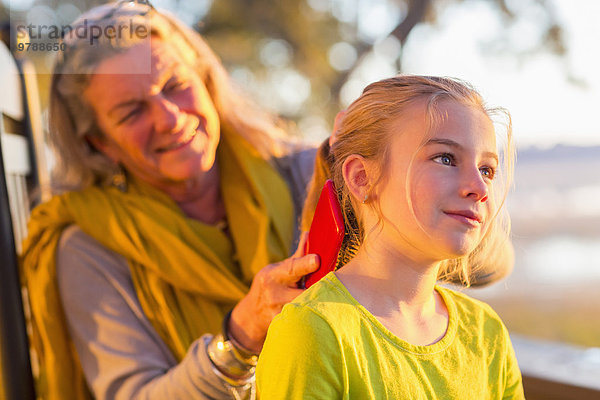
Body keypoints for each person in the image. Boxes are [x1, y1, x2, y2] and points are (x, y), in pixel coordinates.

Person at [21, 2, 319, 399]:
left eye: (176, 86)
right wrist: (241, 337)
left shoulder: (308, 174)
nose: (169, 118)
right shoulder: (90, 247)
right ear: (101, 144)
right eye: (131, 112)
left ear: (206, 80)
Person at [256, 75, 525, 399]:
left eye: (487, 170)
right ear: (361, 177)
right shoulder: (313, 330)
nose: (480, 189)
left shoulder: (486, 332)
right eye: (445, 158)